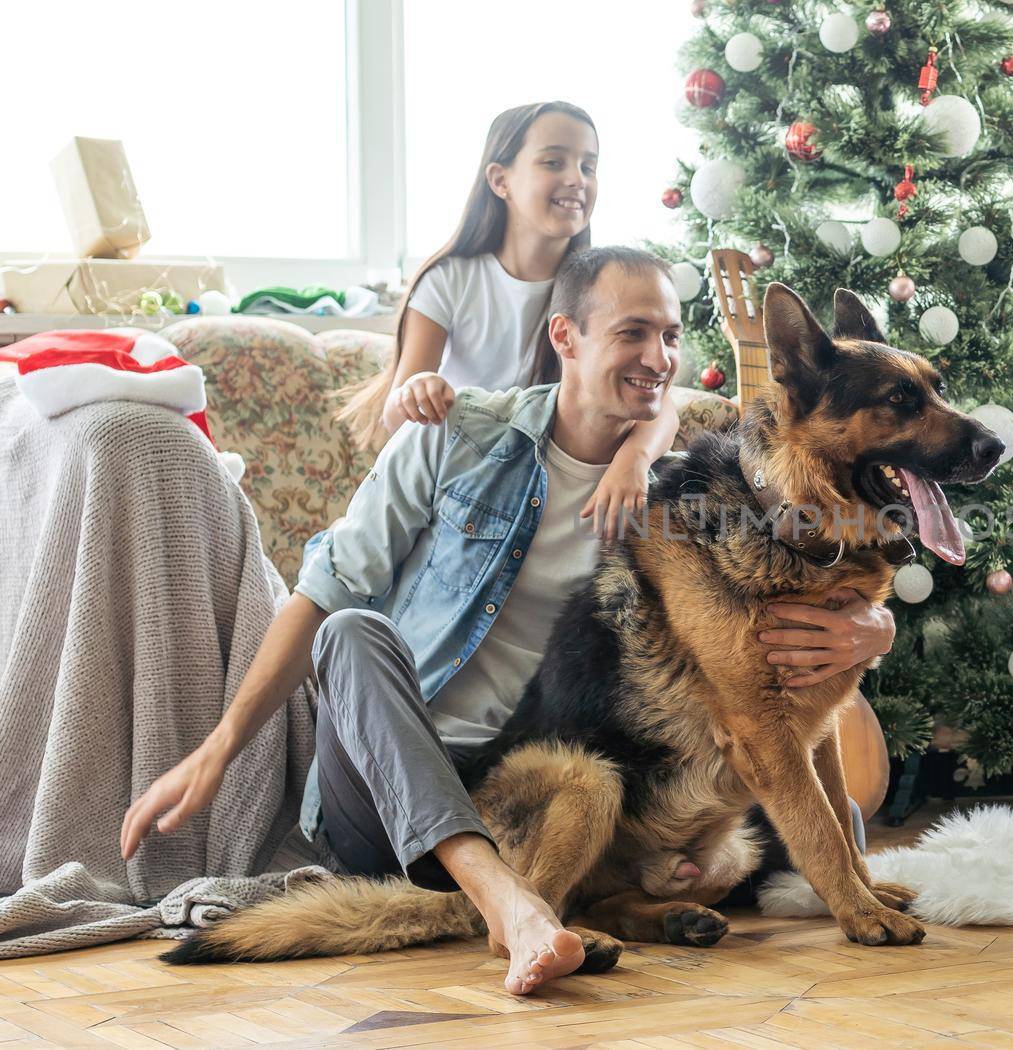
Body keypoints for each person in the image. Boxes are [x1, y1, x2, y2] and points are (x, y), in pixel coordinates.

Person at [121, 247, 896, 995]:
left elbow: (789, 601)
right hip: (399, 785)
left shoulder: (687, 483)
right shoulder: (456, 432)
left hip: (564, 794)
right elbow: (324, 588)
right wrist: (217, 751)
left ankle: (591, 903)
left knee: (729, 779)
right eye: (631, 332)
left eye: (670, 335)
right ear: (565, 336)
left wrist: (874, 629)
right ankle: (511, 907)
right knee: (349, 633)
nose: (657, 357)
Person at [337, 101, 676, 539]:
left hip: (553, 494)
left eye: (589, 166)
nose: (577, 179)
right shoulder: (449, 280)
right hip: (461, 490)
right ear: (500, 180)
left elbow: (663, 404)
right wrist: (419, 392)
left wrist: (635, 459)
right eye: (554, 161)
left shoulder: (601, 292)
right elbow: (396, 415)